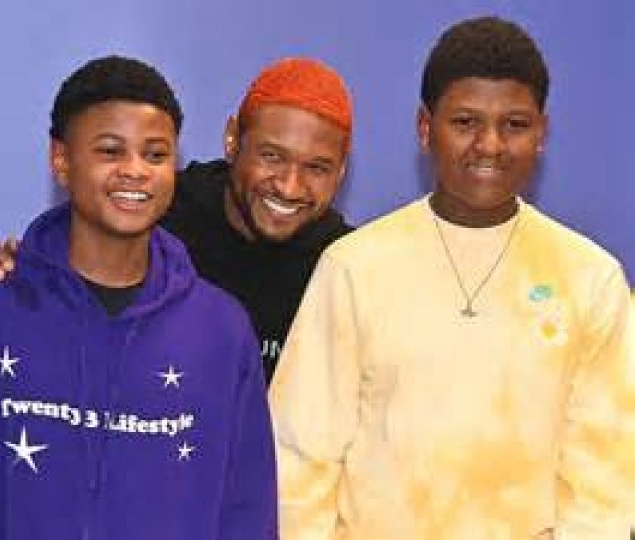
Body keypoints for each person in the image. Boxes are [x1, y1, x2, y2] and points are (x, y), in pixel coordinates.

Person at [269, 16, 635, 539]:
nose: (489, 145)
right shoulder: (354, 267)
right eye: (465, 122)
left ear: (542, 133)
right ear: (425, 128)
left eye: (514, 125)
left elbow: (605, 483)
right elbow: (299, 459)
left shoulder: (590, 280)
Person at [0, 56, 276, 540]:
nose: (135, 171)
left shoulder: (221, 330)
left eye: (155, 155)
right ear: (61, 160)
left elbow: (248, 509)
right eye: (110, 151)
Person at [0, 57, 354, 382]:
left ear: (341, 172)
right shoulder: (152, 211)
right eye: (271, 156)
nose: (290, 187)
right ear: (232, 139)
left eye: (316, 168)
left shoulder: (350, 265)